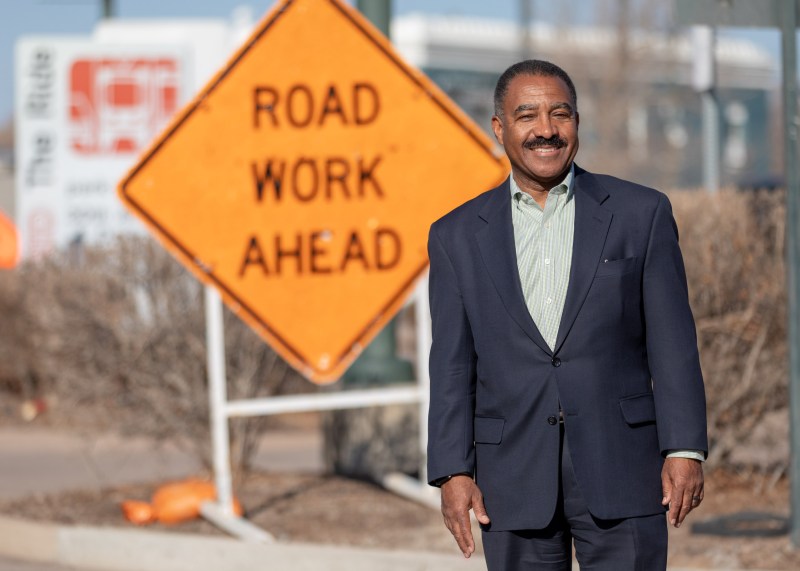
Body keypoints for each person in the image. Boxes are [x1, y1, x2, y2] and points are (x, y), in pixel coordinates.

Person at [426, 59, 708, 570]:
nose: (546, 130)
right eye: (527, 115)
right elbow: (450, 366)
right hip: (509, 478)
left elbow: (673, 345)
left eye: (561, 114)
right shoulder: (456, 236)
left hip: (624, 467)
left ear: (577, 121)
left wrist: (685, 448)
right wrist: (452, 471)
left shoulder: (640, 214)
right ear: (499, 128)